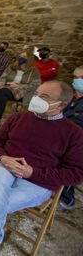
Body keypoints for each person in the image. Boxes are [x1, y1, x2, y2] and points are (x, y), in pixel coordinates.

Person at [0, 81, 83, 256]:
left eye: (44, 97)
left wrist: (33, 172)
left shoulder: (74, 134)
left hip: (38, 181)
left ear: (61, 105)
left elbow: (76, 174)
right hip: (4, 166)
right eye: (36, 93)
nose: (36, 99)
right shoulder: (19, 117)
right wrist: (3, 157)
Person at [0, 48, 41, 130]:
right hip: (8, 89)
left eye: (24, 56)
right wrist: (4, 84)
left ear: (30, 59)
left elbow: (35, 85)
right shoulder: (11, 67)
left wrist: (19, 86)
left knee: (2, 92)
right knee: (3, 96)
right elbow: (2, 78)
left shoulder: (34, 71)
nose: (21, 58)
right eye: (21, 56)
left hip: (24, 93)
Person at [59, 66, 83, 210]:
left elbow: (75, 125)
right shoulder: (73, 99)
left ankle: (67, 199)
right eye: (75, 77)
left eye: (81, 78)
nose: (77, 80)